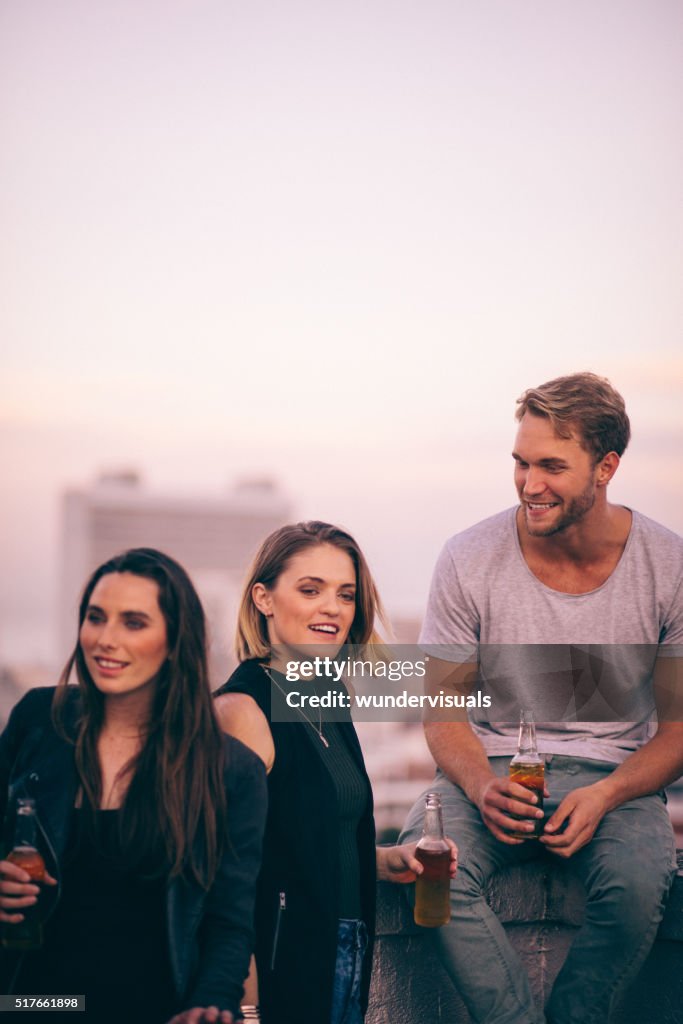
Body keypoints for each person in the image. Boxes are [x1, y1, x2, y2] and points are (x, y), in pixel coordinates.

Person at [400, 372, 683, 1024]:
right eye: (520, 463)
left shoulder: (668, 567)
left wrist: (606, 794)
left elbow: (676, 732)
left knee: (640, 886)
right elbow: (440, 713)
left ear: (605, 467)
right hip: (487, 770)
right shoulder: (467, 557)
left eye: (551, 466)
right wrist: (478, 786)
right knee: (430, 867)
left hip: (615, 781)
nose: (529, 484)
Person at [0, 548, 267, 1024]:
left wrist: (209, 1002)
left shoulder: (231, 771)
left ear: (174, 639)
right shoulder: (38, 721)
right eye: (95, 618)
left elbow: (229, 921)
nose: (105, 639)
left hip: (153, 1011)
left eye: (133, 623)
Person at [214, 521, 456, 1024]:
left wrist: (385, 860)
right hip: (281, 964)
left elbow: (298, 837)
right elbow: (223, 875)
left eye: (345, 594)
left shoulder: (329, 698)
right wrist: (246, 1004)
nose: (333, 608)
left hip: (346, 944)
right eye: (310, 589)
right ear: (264, 598)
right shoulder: (242, 710)